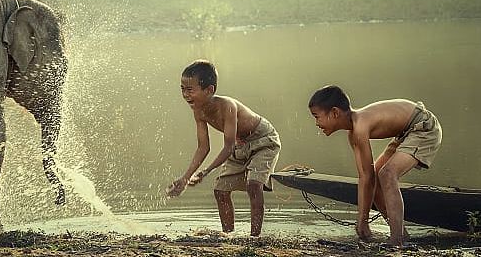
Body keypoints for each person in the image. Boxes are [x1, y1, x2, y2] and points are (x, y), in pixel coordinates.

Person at [307, 85, 442, 247]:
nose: (316, 123)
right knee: (378, 176)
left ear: (335, 113)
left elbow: (367, 177)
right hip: (405, 132)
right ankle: (402, 235)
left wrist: (363, 220)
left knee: (387, 174)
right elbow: (366, 176)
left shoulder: (360, 125)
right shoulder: (354, 133)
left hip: (423, 127)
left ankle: (396, 241)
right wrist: (362, 220)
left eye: (317, 116)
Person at [166, 60, 281, 236]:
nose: (185, 95)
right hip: (239, 145)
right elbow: (203, 147)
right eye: (182, 89)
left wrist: (205, 171)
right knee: (220, 189)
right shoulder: (198, 111)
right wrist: (185, 179)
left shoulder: (227, 106)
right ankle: (228, 234)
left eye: (190, 90)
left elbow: (227, 147)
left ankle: (255, 237)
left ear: (209, 90)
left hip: (262, 141)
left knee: (254, 185)